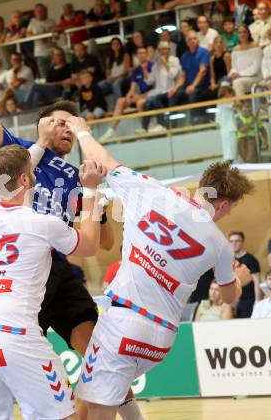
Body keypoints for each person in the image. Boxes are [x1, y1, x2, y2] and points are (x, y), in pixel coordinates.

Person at [0, 68, 142, 420]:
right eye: (60, 122)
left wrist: (101, 207)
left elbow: (101, 243)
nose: (67, 129)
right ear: (41, 125)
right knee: (24, 359)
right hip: (19, 276)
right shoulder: (14, 153)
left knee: (99, 355)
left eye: (72, 126)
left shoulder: (76, 175)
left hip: (55, 267)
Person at [71, 120, 253, 419]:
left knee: (93, 410)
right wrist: (241, 280)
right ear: (222, 204)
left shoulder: (151, 191)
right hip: (161, 339)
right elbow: (231, 296)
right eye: (231, 208)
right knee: (112, 394)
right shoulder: (219, 244)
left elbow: (101, 159)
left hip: (124, 322)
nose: (228, 214)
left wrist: (82, 131)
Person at [0, 142, 104, 420]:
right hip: (15, 335)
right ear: (25, 179)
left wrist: (40, 143)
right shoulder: (42, 223)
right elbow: (88, 246)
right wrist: (91, 190)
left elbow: (6, 179)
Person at [102, 47, 153, 139]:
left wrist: (140, 96)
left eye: (143, 53)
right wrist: (128, 97)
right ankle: (111, 130)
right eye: (139, 53)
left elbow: (156, 88)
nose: (141, 55)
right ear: (137, 56)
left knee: (139, 102)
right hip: (140, 96)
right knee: (121, 101)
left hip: (150, 95)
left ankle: (144, 128)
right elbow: (132, 88)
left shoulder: (152, 66)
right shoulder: (136, 70)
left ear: (147, 55)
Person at [141, 41, 181, 133]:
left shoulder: (174, 60)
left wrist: (165, 63)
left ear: (169, 50)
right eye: (161, 50)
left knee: (155, 99)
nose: (163, 52)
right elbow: (149, 81)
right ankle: (144, 128)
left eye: (165, 49)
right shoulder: (156, 65)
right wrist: (144, 69)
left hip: (171, 91)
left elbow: (173, 75)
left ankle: (162, 125)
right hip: (159, 92)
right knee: (147, 102)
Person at [169, 31, 211, 115]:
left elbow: (202, 71)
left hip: (202, 85)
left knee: (193, 93)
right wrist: (175, 88)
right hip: (189, 85)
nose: (192, 41)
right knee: (174, 95)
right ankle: (171, 125)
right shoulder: (185, 56)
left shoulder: (204, 52)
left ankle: (193, 122)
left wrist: (193, 85)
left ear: (198, 40)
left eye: (194, 38)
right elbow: (183, 76)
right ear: (187, 42)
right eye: (190, 39)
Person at [229, 231, 261, 317]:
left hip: (248, 300)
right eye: (231, 241)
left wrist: (257, 302)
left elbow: (257, 282)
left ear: (242, 242)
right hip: (234, 300)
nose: (234, 244)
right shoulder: (229, 260)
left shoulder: (251, 260)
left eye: (237, 241)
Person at [229, 24, 263, 96]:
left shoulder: (255, 47)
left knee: (237, 83)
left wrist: (239, 74)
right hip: (240, 77)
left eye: (244, 32)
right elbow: (234, 67)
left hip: (256, 77)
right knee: (225, 84)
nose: (242, 34)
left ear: (248, 33)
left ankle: (241, 104)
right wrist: (233, 73)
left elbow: (255, 67)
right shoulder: (235, 50)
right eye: (240, 32)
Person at [97, 38, 130, 105]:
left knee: (116, 84)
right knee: (98, 85)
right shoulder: (109, 58)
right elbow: (108, 72)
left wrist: (114, 78)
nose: (115, 45)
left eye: (117, 44)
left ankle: (119, 104)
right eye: (113, 44)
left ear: (120, 45)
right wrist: (108, 78)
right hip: (112, 79)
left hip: (123, 78)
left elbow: (126, 71)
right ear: (111, 46)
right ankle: (101, 106)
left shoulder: (125, 55)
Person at [27, 3, 56, 78]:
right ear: (35, 12)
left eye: (42, 11)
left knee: (54, 74)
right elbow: (28, 34)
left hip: (52, 52)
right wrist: (39, 35)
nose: (40, 13)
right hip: (40, 54)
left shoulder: (51, 21)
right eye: (38, 11)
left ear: (45, 11)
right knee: (44, 76)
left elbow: (56, 35)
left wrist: (46, 33)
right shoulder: (32, 22)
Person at [216, 85, 238, 161]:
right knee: (230, 154)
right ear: (227, 93)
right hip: (229, 130)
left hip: (225, 130)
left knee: (228, 153)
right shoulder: (225, 101)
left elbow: (217, 121)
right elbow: (237, 105)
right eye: (232, 94)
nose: (233, 97)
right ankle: (226, 171)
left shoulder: (219, 104)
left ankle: (226, 170)